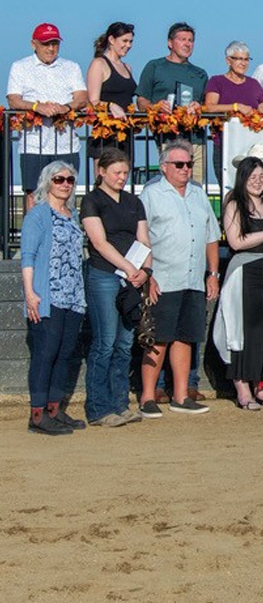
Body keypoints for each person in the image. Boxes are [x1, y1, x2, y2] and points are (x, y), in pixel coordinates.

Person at [138, 140, 220, 418]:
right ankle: (148, 396)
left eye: (189, 164)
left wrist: (212, 273)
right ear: (164, 168)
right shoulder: (151, 194)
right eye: (179, 164)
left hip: (193, 278)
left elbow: (211, 235)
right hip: (163, 276)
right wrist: (148, 275)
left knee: (186, 338)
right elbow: (142, 236)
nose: (186, 169)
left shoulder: (198, 194)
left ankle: (181, 395)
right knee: (158, 339)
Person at [80, 148, 150, 428]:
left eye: (125, 173)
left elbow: (143, 238)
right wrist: (130, 268)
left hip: (131, 276)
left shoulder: (134, 202)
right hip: (105, 275)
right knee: (105, 342)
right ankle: (99, 408)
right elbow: (99, 242)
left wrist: (145, 270)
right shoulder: (92, 201)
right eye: (117, 173)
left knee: (124, 344)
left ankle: (120, 404)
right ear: (101, 171)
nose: (122, 178)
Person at [218, 156, 263, 410]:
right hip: (246, 272)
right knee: (243, 330)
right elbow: (236, 242)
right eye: (253, 177)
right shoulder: (235, 204)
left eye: (262, 177)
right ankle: (242, 387)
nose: (258, 182)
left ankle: (260, 385)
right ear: (243, 178)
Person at [22, 162, 88, 435]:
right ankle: (37, 415)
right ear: (47, 182)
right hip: (47, 295)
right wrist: (30, 293)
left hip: (72, 296)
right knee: (45, 354)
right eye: (59, 179)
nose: (65, 184)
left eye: (70, 180)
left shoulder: (72, 215)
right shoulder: (38, 215)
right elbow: (28, 256)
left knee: (64, 355)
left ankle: (54, 409)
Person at [7, 23, 86, 213]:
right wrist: (37, 107)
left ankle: (64, 236)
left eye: (55, 44)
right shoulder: (20, 67)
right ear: (34, 44)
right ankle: (33, 237)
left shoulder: (71, 67)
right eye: (46, 44)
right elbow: (13, 99)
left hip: (65, 142)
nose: (51, 48)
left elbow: (82, 97)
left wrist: (65, 108)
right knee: (33, 193)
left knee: (66, 191)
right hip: (33, 143)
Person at [136, 22, 208, 181]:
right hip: (167, 137)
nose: (187, 44)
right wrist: (156, 107)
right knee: (172, 185)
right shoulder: (154, 66)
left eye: (190, 40)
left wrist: (200, 107)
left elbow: (207, 105)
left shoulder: (200, 73)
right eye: (183, 39)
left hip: (196, 139)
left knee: (196, 187)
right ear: (170, 43)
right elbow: (141, 101)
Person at [203, 41, 263, 176]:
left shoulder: (254, 84)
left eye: (246, 59)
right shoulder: (217, 81)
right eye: (239, 59)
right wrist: (236, 107)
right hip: (224, 144)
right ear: (228, 61)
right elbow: (209, 107)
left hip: (250, 145)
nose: (243, 63)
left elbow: (262, 111)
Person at [85, 22, 137, 165]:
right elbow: (93, 101)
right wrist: (110, 106)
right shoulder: (99, 64)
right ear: (112, 40)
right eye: (124, 41)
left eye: (131, 41)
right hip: (105, 134)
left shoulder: (128, 67)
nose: (128, 45)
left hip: (126, 133)